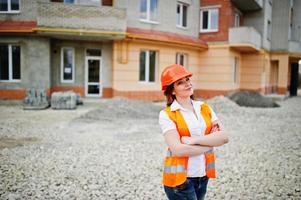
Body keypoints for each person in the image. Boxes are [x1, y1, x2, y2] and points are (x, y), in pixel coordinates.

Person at [158, 64, 229, 200]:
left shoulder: (204, 108)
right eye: (180, 83)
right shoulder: (167, 114)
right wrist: (211, 142)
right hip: (181, 181)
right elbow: (178, 150)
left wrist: (193, 141)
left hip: (202, 176)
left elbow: (224, 137)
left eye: (187, 80)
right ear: (172, 91)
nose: (187, 84)